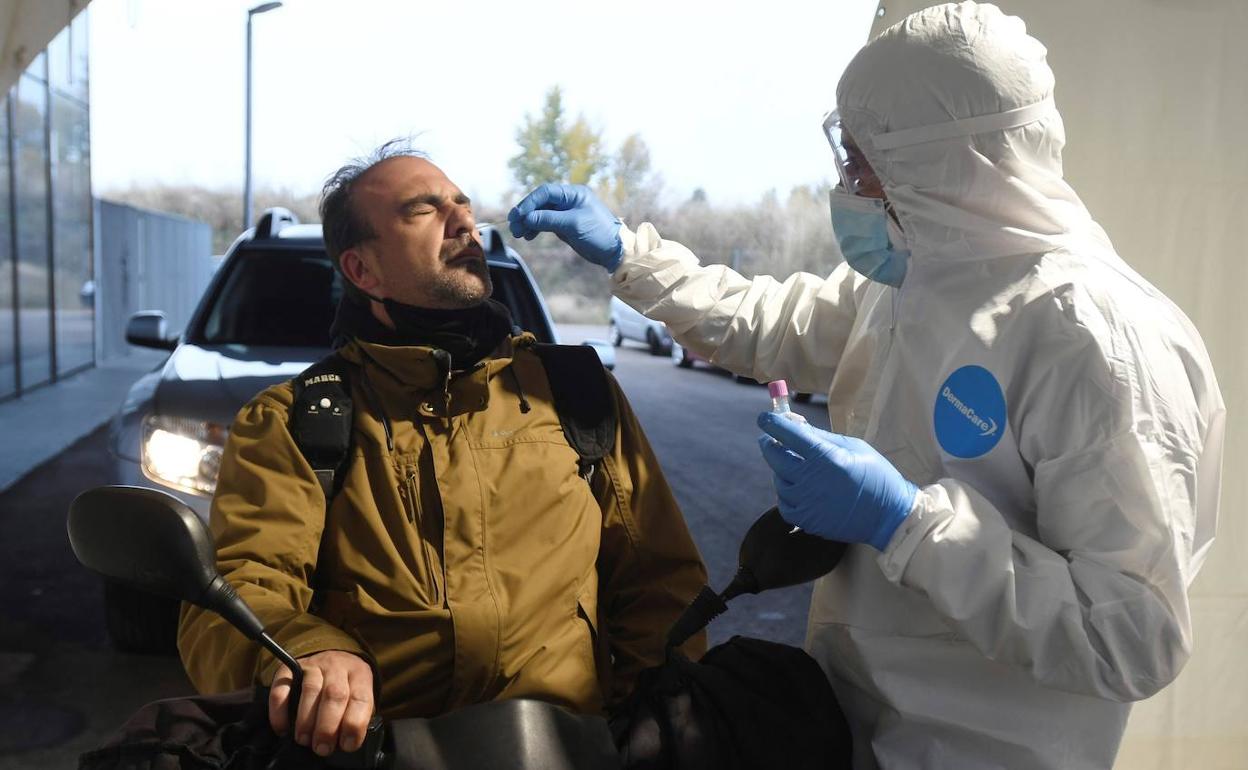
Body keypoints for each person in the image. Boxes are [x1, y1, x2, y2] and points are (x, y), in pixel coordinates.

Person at [507, 3, 1225, 768]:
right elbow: (767, 321)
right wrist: (628, 255)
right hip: (852, 721)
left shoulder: (1096, 340)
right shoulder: (912, 277)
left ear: (947, 162)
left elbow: (1131, 636)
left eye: (861, 158)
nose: (846, 181)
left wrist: (907, 522)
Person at [177, 142, 708, 759]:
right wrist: (306, 645)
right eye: (421, 210)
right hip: (382, 752)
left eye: (462, 205)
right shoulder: (296, 422)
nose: (463, 221)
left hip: (568, 748)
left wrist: (645, 722)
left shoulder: (574, 389)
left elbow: (660, 581)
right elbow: (234, 595)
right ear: (362, 270)